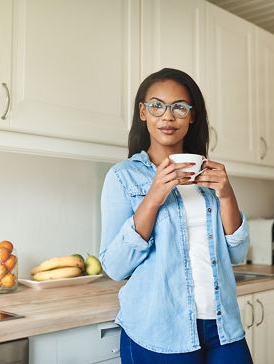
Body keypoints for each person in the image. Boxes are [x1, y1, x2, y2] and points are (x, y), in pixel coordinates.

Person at [99, 68, 253, 364]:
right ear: (143, 112)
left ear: (192, 116)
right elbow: (115, 266)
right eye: (157, 106)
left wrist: (227, 193)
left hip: (222, 327)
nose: (168, 117)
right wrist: (154, 195)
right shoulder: (123, 177)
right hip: (158, 330)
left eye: (179, 107)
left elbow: (238, 252)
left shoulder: (208, 176)